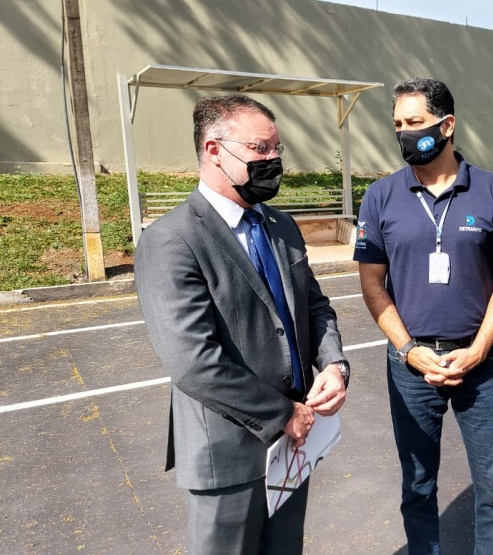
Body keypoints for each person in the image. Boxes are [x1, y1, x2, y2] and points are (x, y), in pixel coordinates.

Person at [135, 94, 350, 555]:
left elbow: (315, 307)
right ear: (214, 150)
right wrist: (283, 415)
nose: (273, 161)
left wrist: (333, 365)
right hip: (228, 456)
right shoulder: (171, 240)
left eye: (277, 150)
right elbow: (193, 362)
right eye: (260, 149)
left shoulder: (281, 226)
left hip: (293, 449)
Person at [354, 77, 493, 554]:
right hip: (411, 365)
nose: (405, 133)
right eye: (397, 124)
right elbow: (372, 284)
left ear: (447, 124)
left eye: (415, 123)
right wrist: (409, 351)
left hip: (480, 364)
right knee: (418, 486)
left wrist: (478, 350)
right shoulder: (379, 196)